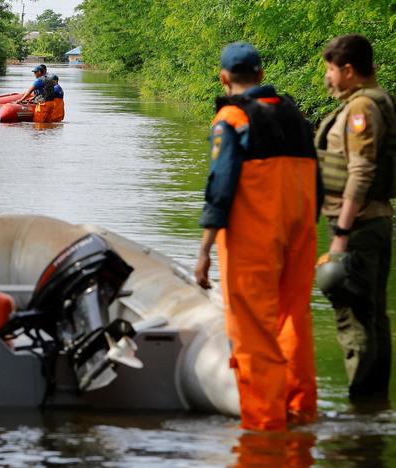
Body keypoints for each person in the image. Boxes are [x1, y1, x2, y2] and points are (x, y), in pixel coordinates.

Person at [194, 42, 320, 431]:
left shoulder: (232, 118)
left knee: (252, 330)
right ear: (262, 76)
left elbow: (221, 186)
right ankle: (300, 413)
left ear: (224, 77)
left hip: (254, 238)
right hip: (301, 233)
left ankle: (265, 427)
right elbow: (318, 180)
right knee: (293, 320)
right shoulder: (295, 115)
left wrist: (203, 252)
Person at [315, 34, 394, 400]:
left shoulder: (361, 109)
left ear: (348, 70)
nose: (328, 78)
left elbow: (361, 172)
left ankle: (362, 407)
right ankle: (373, 408)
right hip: (371, 223)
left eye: (331, 70)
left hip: (359, 226)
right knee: (373, 316)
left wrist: (341, 233)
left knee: (356, 319)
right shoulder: (373, 101)